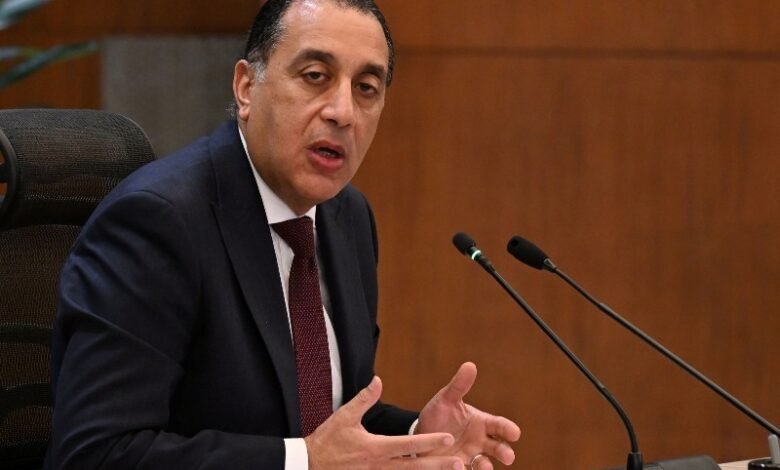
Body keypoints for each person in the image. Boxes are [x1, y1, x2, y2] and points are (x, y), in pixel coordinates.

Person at [44, 0, 521, 469]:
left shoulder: (347, 217)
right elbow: (95, 454)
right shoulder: (159, 223)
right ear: (246, 87)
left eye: (366, 88)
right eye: (315, 76)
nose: (343, 112)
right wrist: (305, 461)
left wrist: (420, 436)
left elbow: (329, 419)